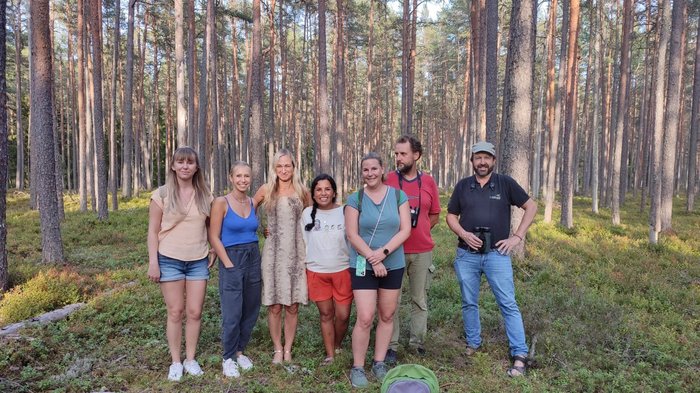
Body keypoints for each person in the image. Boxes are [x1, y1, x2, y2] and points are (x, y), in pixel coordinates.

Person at [445, 141, 537, 378]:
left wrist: (517, 237)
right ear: (472, 161)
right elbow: (451, 216)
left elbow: (531, 206)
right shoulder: (464, 186)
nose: (482, 162)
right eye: (478, 158)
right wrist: (463, 233)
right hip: (467, 255)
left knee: (508, 304)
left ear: (494, 160)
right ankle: (473, 343)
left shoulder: (505, 183)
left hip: (498, 255)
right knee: (468, 301)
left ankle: (519, 354)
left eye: (487, 157)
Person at [345, 152, 411, 388]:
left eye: (374, 169)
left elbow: (405, 230)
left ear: (383, 170)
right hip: (363, 264)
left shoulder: (398, 196)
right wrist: (373, 260)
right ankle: (358, 367)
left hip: (392, 263)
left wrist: (382, 254)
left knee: (387, 315)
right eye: (365, 170)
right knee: (364, 317)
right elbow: (352, 234)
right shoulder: (355, 199)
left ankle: (379, 362)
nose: (370, 173)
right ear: (361, 173)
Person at [147, 146, 213, 381]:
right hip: (169, 259)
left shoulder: (205, 195)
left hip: (198, 260)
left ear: (196, 167)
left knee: (195, 312)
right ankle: (176, 361)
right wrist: (153, 262)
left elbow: (210, 227)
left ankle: (191, 358)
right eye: (181, 162)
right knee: (175, 312)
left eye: (190, 162)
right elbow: (153, 231)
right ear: (173, 166)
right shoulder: (162, 194)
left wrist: (213, 248)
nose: (185, 166)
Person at [385, 135, 441, 362]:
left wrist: (419, 231)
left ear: (416, 155)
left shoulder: (428, 182)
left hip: (421, 252)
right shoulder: (387, 179)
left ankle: (417, 342)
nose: (398, 158)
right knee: (392, 301)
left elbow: (435, 215)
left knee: (419, 299)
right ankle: (391, 345)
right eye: (396, 154)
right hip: (393, 251)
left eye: (403, 154)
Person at [253, 149, 311, 364]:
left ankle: (288, 348)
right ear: (274, 168)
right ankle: (277, 347)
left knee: (293, 304)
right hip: (273, 254)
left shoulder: (302, 191)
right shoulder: (266, 190)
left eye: (287, 166)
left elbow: (312, 218)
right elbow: (248, 211)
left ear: (294, 167)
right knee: (275, 304)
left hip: (296, 253)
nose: (284, 170)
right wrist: (260, 229)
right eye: (280, 166)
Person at [209, 161, 262, 378]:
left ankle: (240, 351)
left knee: (251, 308)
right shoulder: (221, 202)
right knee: (232, 312)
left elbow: (253, 229)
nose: (243, 180)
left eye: (247, 176)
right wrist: (227, 263)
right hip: (231, 257)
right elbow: (213, 235)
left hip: (253, 257)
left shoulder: (252, 202)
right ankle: (228, 357)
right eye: (238, 176)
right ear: (231, 178)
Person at [301, 174, 352, 365]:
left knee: (343, 315)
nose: (323, 193)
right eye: (319, 189)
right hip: (316, 271)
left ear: (334, 192)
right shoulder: (306, 214)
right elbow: (302, 242)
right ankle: (330, 353)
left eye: (327, 189)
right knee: (326, 314)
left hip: (343, 270)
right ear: (313, 194)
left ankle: (338, 343)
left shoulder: (345, 211)